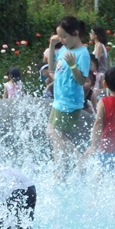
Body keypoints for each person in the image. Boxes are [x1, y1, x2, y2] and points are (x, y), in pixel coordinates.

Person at [46, 16, 92, 178]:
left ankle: (79, 159)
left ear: (75, 33)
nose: (61, 40)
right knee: (56, 137)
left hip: (69, 102)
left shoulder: (82, 54)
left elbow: (82, 81)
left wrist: (73, 65)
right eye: (59, 36)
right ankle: (59, 171)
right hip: (59, 100)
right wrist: (52, 46)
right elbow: (52, 68)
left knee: (53, 132)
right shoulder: (64, 49)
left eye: (64, 36)